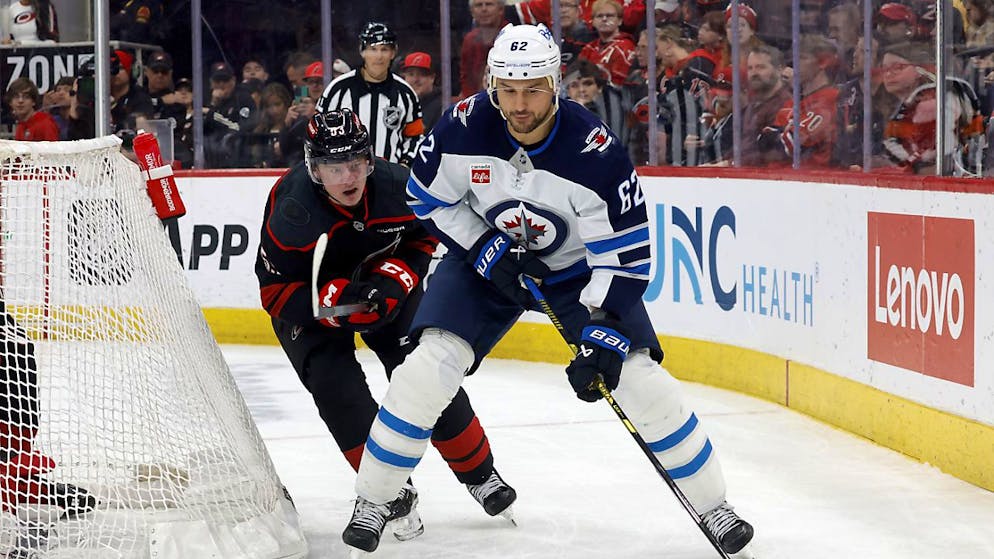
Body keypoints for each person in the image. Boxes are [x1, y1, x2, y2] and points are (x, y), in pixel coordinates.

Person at [343, 23, 755, 556]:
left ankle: (714, 505)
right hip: (485, 263)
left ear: (555, 83)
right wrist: (485, 248)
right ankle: (373, 499)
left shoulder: (596, 152)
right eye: (509, 89)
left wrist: (602, 331)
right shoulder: (462, 128)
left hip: (576, 271)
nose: (520, 103)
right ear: (493, 84)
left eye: (533, 88)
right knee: (426, 367)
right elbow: (427, 198)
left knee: (639, 380)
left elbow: (626, 258)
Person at [255, 108, 517, 551]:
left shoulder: (399, 187)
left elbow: (424, 238)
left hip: (382, 289)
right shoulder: (292, 209)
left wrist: (397, 277)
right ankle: (389, 492)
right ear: (313, 168)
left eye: (355, 163)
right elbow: (274, 293)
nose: (347, 178)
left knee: (426, 374)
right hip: (315, 304)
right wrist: (331, 303)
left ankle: (480, 473)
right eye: (334, 168)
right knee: (337, 388)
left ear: (370, 160)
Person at [0, 300, 95, 519]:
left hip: (9, 434)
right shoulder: (13, 328)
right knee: (10, 474)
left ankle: (13, 514)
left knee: (7, 473)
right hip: (21, 430)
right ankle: (53, 493)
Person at [317, 22, 425, 167]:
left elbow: (415, 137)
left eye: (384, 49)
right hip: (345, 177)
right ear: (362, 51)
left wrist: (405, 164)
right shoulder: (337, 90)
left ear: (393, 53)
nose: (379, 56)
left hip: (391, 179)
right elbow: (318, 132)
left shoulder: (406, 93)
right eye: (373, 49)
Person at [579, 0, 636, 87]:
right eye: (599, 16)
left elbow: (618, 85)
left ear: (620, 21)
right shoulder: (589, 48)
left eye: (610, 16)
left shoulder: (625, 48)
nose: (604, 19)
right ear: (593, 21)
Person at [460, 0, 508, 99]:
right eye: (479, 5)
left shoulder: (511, 36)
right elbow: (466, 78)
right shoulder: (469, 39)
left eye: (489, 4)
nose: (484, 9)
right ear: (472, 12)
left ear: (501, 9)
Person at [109, 49, 155, 133]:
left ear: (132, 71)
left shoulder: (140, 97)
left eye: (121, 68)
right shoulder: (99, 96)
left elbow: (143, 125)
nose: (116, 73)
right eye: (112, 68)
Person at [400, 52, 442, 131]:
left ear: (432, 78)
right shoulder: (398, 103)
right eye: (411, 74)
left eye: (422, 74)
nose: (415, 80)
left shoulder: (442, 107)